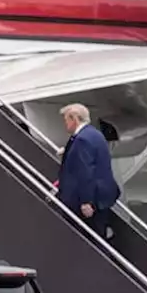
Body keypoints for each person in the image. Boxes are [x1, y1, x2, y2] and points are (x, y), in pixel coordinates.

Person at [55, 103, 121, 240]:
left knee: (88, 239)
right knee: (98, 235)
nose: (65, 124)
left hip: (89, 201)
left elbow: (86, 172)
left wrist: (86, 201)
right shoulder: (94, 134)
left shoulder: (82, 140)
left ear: (75, 119)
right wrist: (68, 152)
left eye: (66, 120)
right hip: (102, 197)